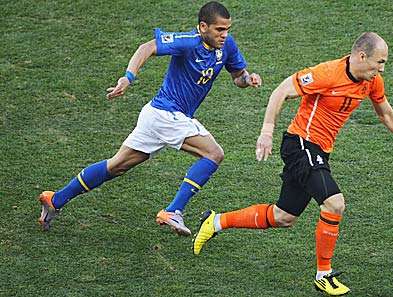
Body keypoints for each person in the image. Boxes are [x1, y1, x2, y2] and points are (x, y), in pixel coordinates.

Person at [192, 32, 393, 296]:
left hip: (319, 151)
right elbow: (281, 91)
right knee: (334, 202)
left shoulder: (371, 81)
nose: (382, 69)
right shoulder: (327, 74)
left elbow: (386, 113)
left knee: (284, 216)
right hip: (301, 145)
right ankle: (323, 274)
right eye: (380, 62)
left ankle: (215, 222)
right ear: (362, 56)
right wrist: (267, 131)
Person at [38, 1, 262, 235]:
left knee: (116, 166)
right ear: (203, 26)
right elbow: (147, 47)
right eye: (219, 29)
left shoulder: (227, 46)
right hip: (167, 114)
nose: (224, 35)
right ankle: (173, 210)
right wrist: (128, 77)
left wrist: (248, 79)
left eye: (227, 29)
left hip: (159, 116)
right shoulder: (188, 42)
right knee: (214, 153)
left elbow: (238, 77)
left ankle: (55, 200)